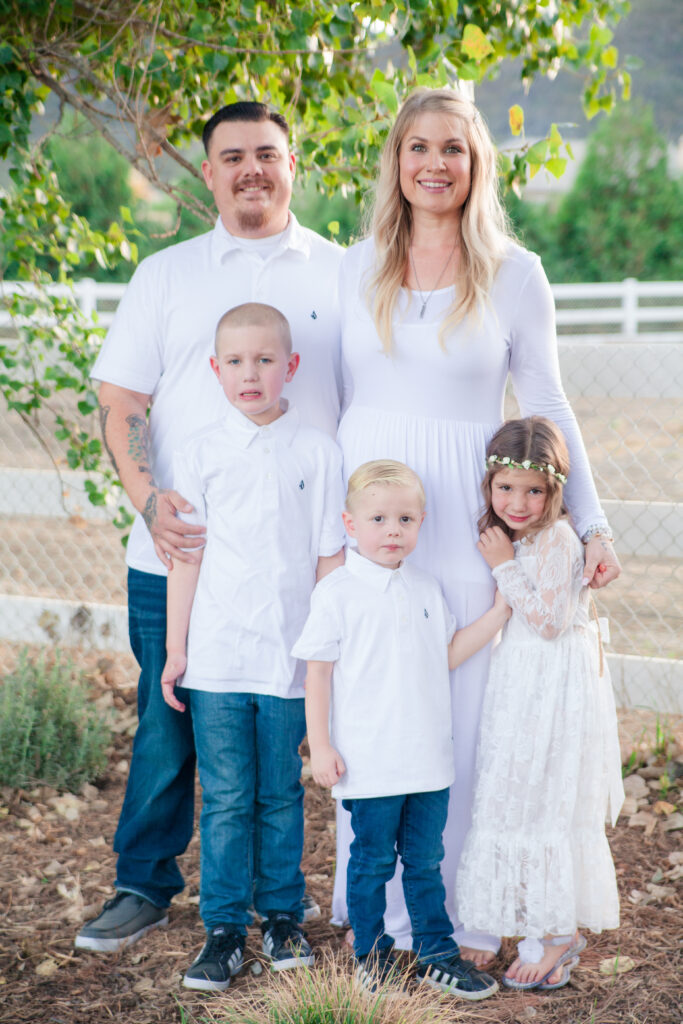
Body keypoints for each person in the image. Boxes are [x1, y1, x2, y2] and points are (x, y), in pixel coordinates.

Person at [333, 86, 622, 963]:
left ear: (476, 164)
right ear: (395, 161)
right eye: (416, 147)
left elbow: (544, 402)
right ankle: (374, 920)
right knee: (375, 712)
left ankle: (455, 916)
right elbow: (332, 403)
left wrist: (592, 519)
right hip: (368, 522)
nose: (433, 163)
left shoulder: (513, 272)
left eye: (451, 149)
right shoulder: (351, 268)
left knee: (457, 718)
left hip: (462, 523)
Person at [76, 101, 343, 953]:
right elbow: (121, 404)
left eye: (267, 153)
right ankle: (143, 885)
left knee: (296, 743)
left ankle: (315, 900)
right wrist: (150, 501)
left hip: (300, 565)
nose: (250, 170)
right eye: (232, 157)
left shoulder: (340, 273)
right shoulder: (168, 274)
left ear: (292, 161)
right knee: (170, 724)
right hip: (178, 555)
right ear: (208, 171)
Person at [159, 302, 345, 990]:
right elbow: (187, 558)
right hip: (217, 657)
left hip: (289, 660)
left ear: (289, 366)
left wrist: (324, 653)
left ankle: (281, 914)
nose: (250, 373)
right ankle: (224, 929)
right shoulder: (201, 452)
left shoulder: (317, 450)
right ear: (215, 370)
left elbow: (330, 560)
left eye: (265, 359)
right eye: (235, 361)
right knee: (228, 796)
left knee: (279, 795)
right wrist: (177, 651)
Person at [293, 459, 509, 1000]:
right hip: (370, 762)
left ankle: (437, 952)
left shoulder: (425, 587)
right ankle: (372, 955)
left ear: (421, 522)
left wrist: (500, 613)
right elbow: (317, 673)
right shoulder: (338, 592)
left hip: (428, 761)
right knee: (369, 863)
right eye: (379, 519)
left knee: (426, 860)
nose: (393, 530)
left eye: (406, 520)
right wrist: (320, 745)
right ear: (350, 523)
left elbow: (447, 655)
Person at [456, 416, 624, 990]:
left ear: (555, 490)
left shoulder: (553, 538)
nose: (518, 502)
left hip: (551, 683)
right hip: (522, 679)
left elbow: (550, 622)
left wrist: (502, 565)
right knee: (514, 791)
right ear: (489, 485)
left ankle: (555, 934)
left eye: (534, 490)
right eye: (506, 488)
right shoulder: (521, 533)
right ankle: (529, 924)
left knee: (544, 796)